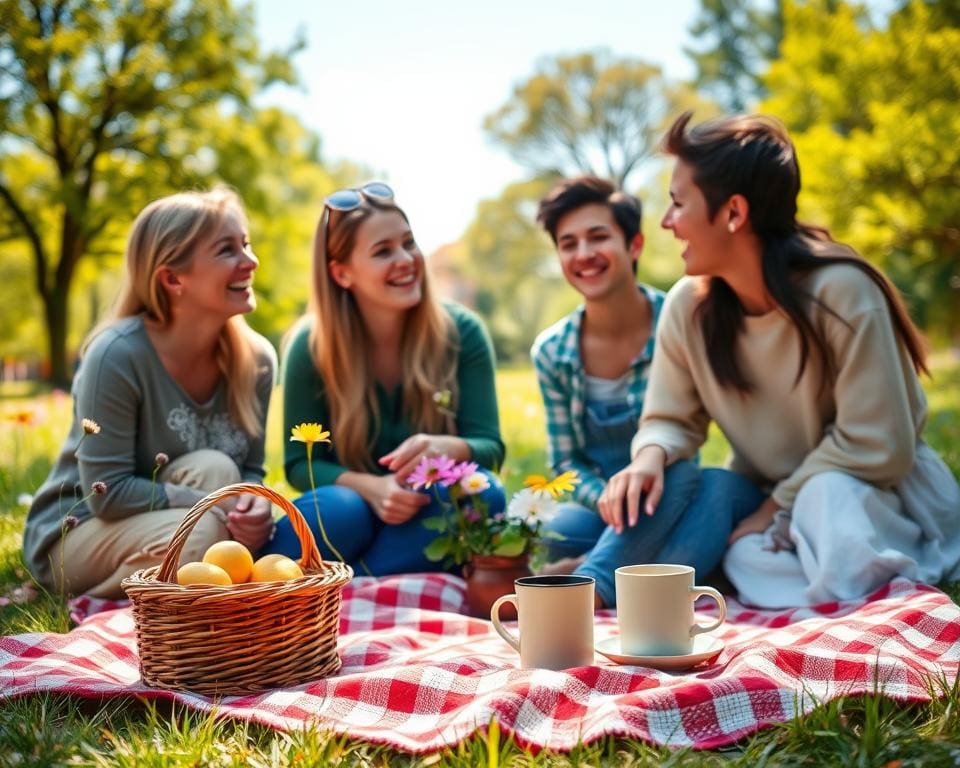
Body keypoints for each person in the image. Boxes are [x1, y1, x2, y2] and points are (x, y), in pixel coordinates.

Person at [578, 111, 960, 609]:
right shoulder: (689, 306)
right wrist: (649, 455)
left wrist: (778, 506)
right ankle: (606, 593)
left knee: (825, 500)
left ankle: (866, 593)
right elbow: (671, 420)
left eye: (677, 203)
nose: (668, 222)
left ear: (734, 213)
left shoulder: (842, 292)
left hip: (875, 497)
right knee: (729, 530)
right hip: (776, 500)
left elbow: (878, 446)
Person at [22, 188, 277, 598]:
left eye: (245, 244)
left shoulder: (258, 360)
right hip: (78, 529)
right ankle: (108, 594)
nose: (251, 261)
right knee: (205, 537)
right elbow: (107, 494)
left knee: (218, 471)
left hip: (168, 516)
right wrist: (209, 505)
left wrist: (255, 504)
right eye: (227, 250)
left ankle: (174, 583)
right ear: (173, 278)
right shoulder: (117, 356)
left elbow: (250, 471)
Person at [260, 183, 505, 574]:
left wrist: (446, 446)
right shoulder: (310, 346)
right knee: (342, 508)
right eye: (383, 251)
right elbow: (299, 466)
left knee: (483, 492)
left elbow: (490, 447)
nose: (406, 259)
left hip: (420, 511)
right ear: (341, 273)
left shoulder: (462, 332)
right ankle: (354, 579)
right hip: (348, 513)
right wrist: (371, 489)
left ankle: (356, 583)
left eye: (409, 243)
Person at [531, 176, 673, 563]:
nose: (584, 254)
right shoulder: (552, 351)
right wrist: (610, 499)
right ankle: (655, 560)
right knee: (555, 530)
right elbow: (564, 462)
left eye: (598, 237)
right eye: (568, 244)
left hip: (669, 486)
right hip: (601, 508)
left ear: (635, 244)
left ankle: (594, 571)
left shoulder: (677, 325)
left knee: (711, 492)